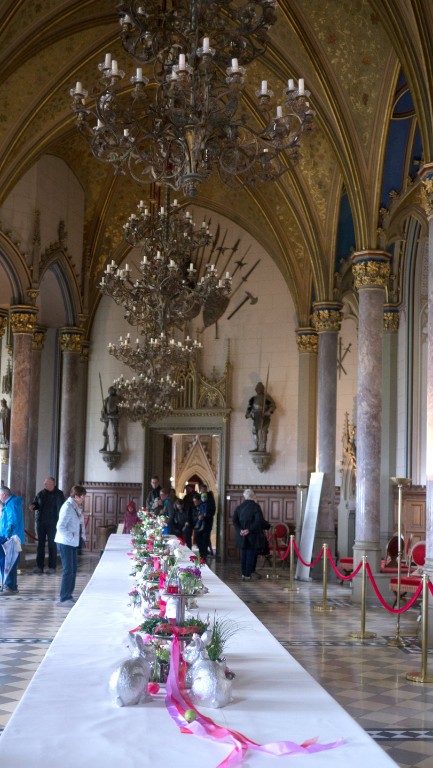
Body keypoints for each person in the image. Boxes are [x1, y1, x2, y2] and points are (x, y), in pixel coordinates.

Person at [54, 484, 87, 607]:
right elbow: (60, 527)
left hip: (71, 542)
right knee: (68, 570)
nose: (83, 499)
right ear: (76, 496)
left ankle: (69, 595)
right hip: (65, 542)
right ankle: (64, 597)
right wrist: (72, 537)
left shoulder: (74, 507)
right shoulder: (67, 507)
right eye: (82, 496)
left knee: (73, 569)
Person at [29, 477, 65, 574]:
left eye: (47, 483)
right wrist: (33, 506)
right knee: (40, 545)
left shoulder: (59, 494)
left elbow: (62, 509)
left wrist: (60, 522)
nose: (45, 485)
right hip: (41, 523)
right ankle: (39, 566)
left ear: (53, 484)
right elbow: (36, 503)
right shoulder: (41, 493)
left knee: (52, 545)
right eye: (45, 483)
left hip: (53, 523)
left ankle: (52, 567)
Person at [232, 488, 264, 581]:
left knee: (244, 554)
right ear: (253, 496)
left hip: (242, 535)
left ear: (245, 497)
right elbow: (258, 521)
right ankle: (247, 575)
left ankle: (243, 574)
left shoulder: (239, 507)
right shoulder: (256, 507)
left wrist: (240, 530)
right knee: (250, 554)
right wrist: (249, 530)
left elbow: (234, 521)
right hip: (252, 535)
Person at [0, 486, 25, 594]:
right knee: (10, 561)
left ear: (3, 495)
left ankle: (10, 586)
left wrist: (7, 535)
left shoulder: (11, 504)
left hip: (10, 538)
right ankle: (10, 585)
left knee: (9, 562)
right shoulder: (12, 502)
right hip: (12, 537)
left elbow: (12, 521)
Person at [245, 381, 276, 452]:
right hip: (256, 417)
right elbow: (249, 407)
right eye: (258, 388)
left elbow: (273, 406)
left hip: (264, 417)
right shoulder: (253, 398)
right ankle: (256, 447)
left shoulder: (266, 398)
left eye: (260, 388)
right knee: (254, 431)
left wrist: (267, 413)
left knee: (263, 432)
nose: (259, 390)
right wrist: (248, 414)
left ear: (262, 389)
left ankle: (263, 447)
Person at [100, 386, 119, 452]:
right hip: (107, 416)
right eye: (109, 390)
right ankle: (105, 446)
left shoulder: (117, 399)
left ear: (114, 391)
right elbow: (103, 409)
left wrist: (115, 416)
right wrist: (103, 416)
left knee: (115, 433)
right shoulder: (107, 399)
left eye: (111, 390)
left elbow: (120, 411)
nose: (110, 391)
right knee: (104, 432)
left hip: (114, 417)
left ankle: (115, 448)